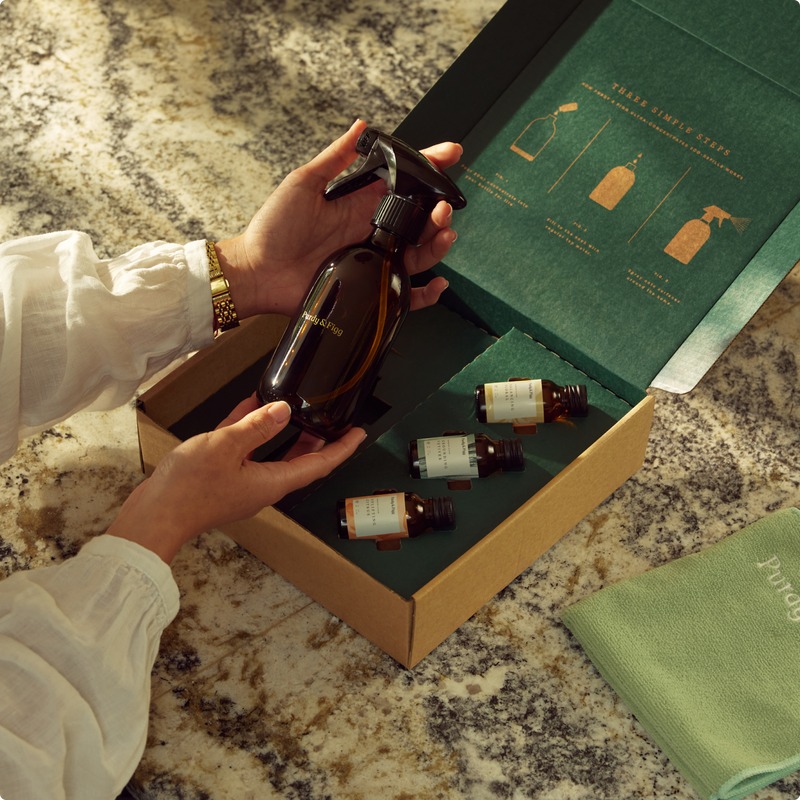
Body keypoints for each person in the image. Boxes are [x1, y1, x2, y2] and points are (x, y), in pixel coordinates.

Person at [0, 120, 463, 799]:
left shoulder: (362, 268)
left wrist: (243, 269)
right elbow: (31, 750)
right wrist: (158, 522)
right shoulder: (362, 270)